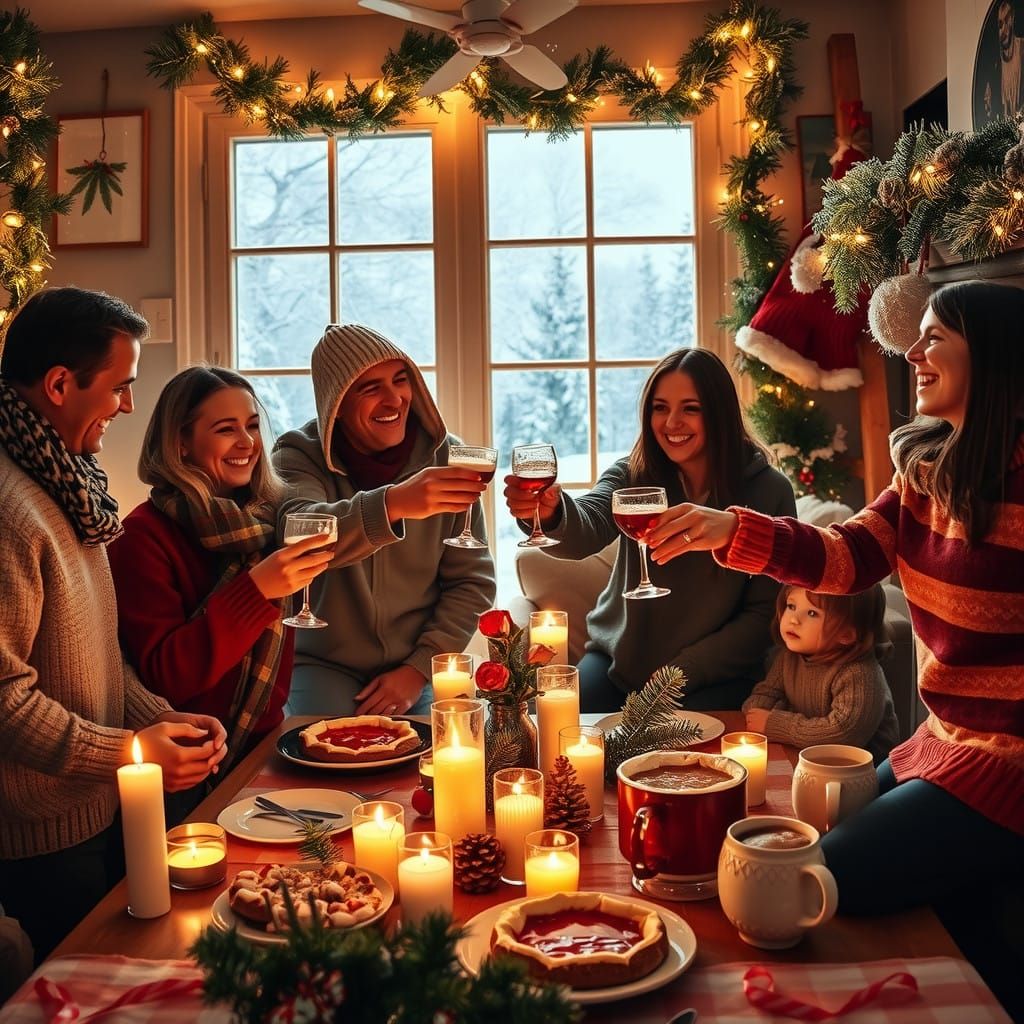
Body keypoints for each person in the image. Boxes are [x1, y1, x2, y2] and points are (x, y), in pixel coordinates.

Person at [654, 281, 1024, 1014]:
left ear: (992, 358)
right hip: (943, 746)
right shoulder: (926, 472)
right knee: (813, 832)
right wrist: (730, 530)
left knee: (819, 878)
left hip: (1009, 765)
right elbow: (845, 557)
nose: (911, 354)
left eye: (933, 339)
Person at [0, 288, 227, 961]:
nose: (129, 405)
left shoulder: (68, 483)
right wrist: (126, 753)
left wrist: (160, 716)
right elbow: (5, 699)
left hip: (93, 814)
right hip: (42, 840)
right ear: (60, 384)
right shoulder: (12, 508)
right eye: (121, 387)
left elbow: (95, 653)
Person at [503, 348, 796, 712]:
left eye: (691, 408)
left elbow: (765, 612)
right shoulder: (631, 475)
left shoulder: (769, 491)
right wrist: (551, 513)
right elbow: (589, 522)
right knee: (551, 720)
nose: (672, 422)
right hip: (617, 666)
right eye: (660, 407)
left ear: (718, 414)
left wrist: (684, 670)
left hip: (716, 675)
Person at [109, 367, 333, 819]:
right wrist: (256, 590)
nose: (247, 443)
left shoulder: (265, 523)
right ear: (180, 443)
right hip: (189, 769)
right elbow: (166, 677)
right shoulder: (141, 536)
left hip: (265, 749)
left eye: (252, 426)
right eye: (225, 429)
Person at [273, 323, 496, 716]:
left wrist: (417, 670)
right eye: (370, 388)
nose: (394, 399)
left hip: (416, 664)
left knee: (430, 760)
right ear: (336, 404)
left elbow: (471, 583)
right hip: (322, 662)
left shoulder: (448, 459)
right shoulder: (297, 455)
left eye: (400, 380)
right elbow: (298, 530)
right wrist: (394, 504)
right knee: (324, 752)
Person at [743, 584, 899, 764]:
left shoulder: (859, 674)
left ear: (846, 634)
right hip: (810, 758)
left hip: (860, 774)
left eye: (812, 613)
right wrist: (756, 714)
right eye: (791, 606)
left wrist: (774, 723)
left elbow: (843, 733)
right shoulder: (789, 657)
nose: (793, 619)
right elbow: (765, 694)